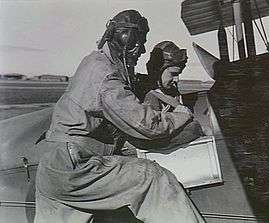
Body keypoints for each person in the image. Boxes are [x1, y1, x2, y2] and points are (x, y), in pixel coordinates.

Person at [34, 10, 205, 223]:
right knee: (153, 177)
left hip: (55, 169)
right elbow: (147, 125)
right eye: (140, 43)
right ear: (129, 41)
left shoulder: (96, 62)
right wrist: (181, 114)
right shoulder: (106, 76)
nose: (142, 50)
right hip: (77, 167)